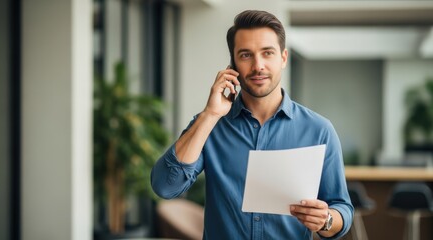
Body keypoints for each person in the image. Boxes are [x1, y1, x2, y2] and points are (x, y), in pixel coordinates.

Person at [151, 10, 353, 239]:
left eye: (267, 53)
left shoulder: (319, 130)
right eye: (246, 55)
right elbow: (165, 187)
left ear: (283, 57)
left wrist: (325, 219)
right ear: (233, 64)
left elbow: (342, 208)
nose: (258, 66)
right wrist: (209, 115)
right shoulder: (210, 125)